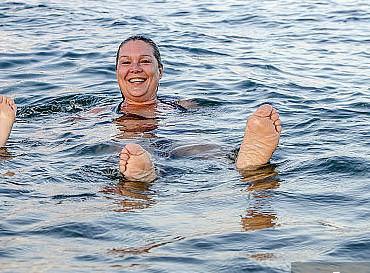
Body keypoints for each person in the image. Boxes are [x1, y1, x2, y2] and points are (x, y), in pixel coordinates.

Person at [113, 35, 282, 182]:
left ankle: (247, 161)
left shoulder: (183, 104)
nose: (135, 69)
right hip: (139, 143)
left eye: (145, 61)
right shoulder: (98, 112)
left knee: (203, 145)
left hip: (177, 141)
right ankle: (142, 173)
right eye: (126, 62)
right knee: (127, 152)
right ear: (117, 71)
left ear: (160, 71)